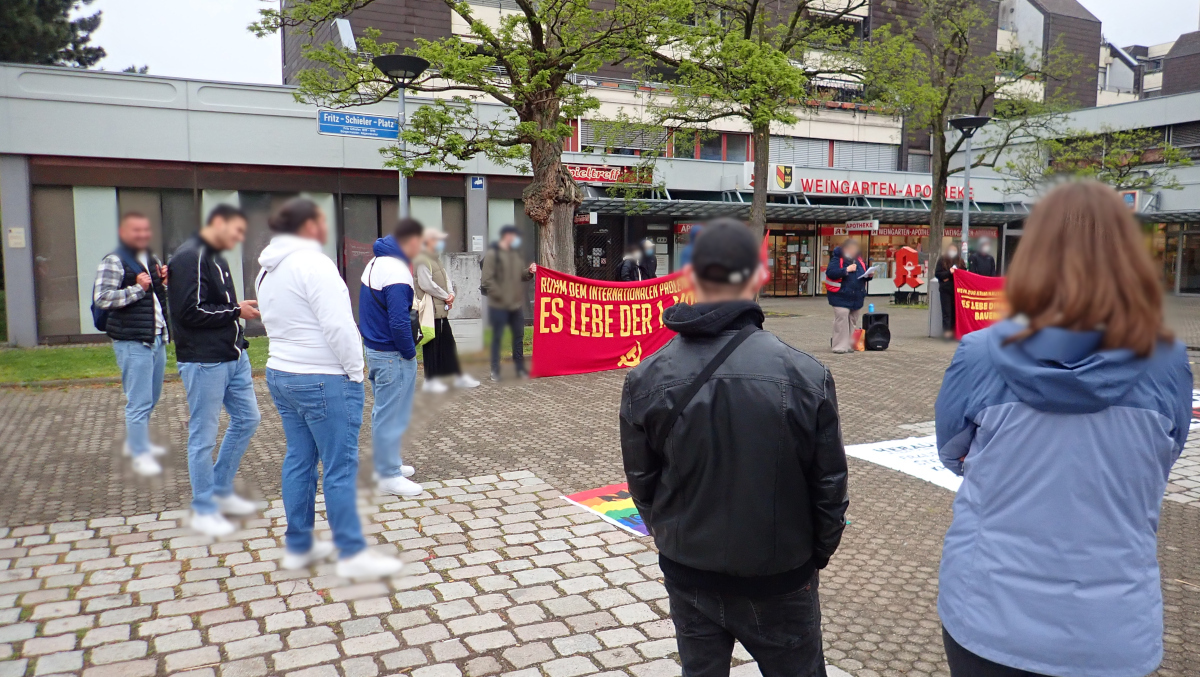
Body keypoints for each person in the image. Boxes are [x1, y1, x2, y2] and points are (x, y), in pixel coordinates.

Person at [935, 181, 1192, 677]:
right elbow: (1168, 453)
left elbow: (952, 453)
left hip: (988, 615)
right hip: (1114, 629)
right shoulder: (1168, 362)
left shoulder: (980, 353)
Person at [622, 218, 849, 677]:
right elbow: (829, 490)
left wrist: (673, 540)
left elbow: (644, 486)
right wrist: (811, 559)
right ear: (753, 279)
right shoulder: (806, 375)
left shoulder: (645, 377)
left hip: (691, 571)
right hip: (779, 576)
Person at [256, 198, 404, 577]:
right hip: (323, 377)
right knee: (339, 468)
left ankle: (299, 545)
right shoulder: (314, 266)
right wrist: (356, 371)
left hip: (282, 372)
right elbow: (339, 327)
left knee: (300, 459)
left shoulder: (267, 269)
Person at [169, 204, 262, 537]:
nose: (238, 238)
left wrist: (237, 311)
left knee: (249, 418)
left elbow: (220, 305)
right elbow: (188, 312)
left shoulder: (215, 256)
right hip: (204, 360)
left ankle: (220, 491)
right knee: (203, 436)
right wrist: (237, 310)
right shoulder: (188, 256)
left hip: (233, 356)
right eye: (235, 231)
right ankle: (204, 506)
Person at [93, 212, 170, 476]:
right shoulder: (114, 261)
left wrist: (164, 282)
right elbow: (102, 298)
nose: (142, 236)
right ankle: (139, 455)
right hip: (132, 341)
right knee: (138, 401)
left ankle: (139, 443)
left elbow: (157, 299)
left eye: (145, 231)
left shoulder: (151, 259)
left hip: (156, 338)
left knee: (151, 398)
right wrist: (137, 289)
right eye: (135, 231)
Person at [358, 217, 425, 497]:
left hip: (375, 348)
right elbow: (399, 322)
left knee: (385, 412)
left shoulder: (375, 261)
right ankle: (387, 474)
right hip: (392, 354)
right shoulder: (398, 271)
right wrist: (410, 352)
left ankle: (389, 463)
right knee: (391, 415)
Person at [414, 228, 479, 393]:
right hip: (430, 311)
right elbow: (426, 284)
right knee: (432, 345)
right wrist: (445, 296)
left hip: (440, 310)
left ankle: (456, 376)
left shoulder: (435, 259)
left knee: (448, 344)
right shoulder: (422, 260)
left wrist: (450, 294)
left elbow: (446, 279)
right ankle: (431, 380)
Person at [481, 224, 535, 380]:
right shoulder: (492, 255)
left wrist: (529, 272)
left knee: (518, 336)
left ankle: (519, 368)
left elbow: (521, 275)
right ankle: (495, 370)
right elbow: (486, 281)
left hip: (515, 304)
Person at [825, 238, 873, 353]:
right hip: (840, 296)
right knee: (842, 318)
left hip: (856, 297)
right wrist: (846, 269)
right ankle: (839, 346)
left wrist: (869, 275)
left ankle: (849, 345)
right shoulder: (837, 258)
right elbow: (831, 272)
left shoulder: (859, 260)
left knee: (852, 320)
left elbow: (864, 274)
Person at [934, 243, 960, 339]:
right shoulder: (942, 260)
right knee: (947, 313)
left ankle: (954, 333)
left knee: (955, 313)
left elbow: (964, 273)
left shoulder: (959, 261)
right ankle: (947, 334)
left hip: (957, 291)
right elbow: (938, 274)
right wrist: (949, 273)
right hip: (945, 290)